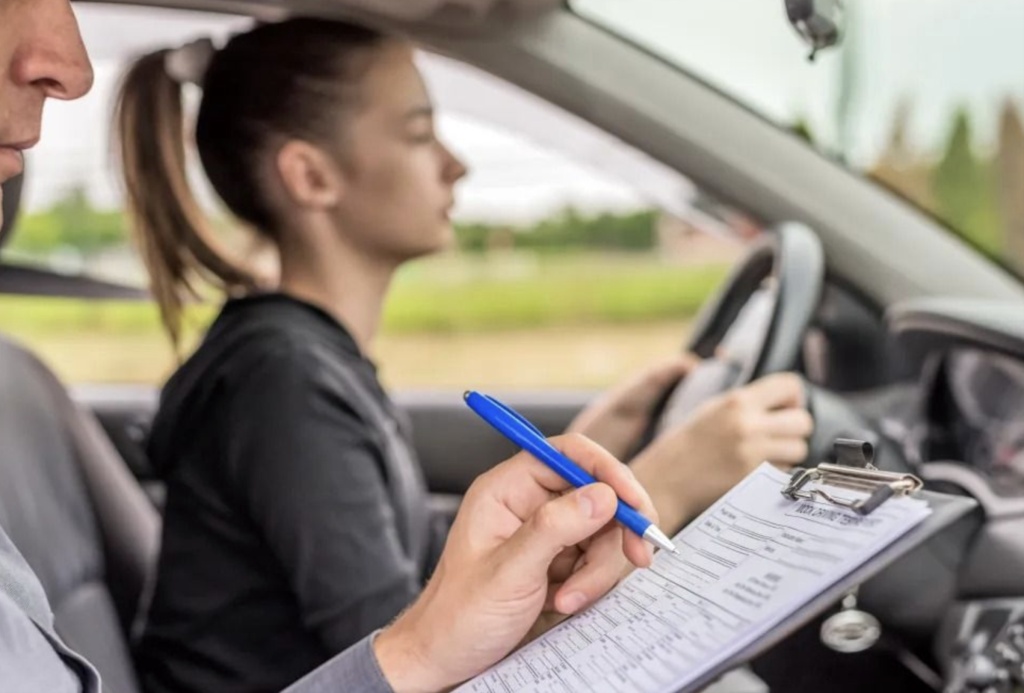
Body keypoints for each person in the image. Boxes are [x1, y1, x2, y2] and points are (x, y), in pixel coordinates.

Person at [112, 17, 815, 693]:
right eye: (420, 134)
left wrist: (594, 442)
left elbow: (409, 555)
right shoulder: (281, 380)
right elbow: (402, 650)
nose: (456, 164)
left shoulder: (309, 356)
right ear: (311, 176)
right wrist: (670, 478)